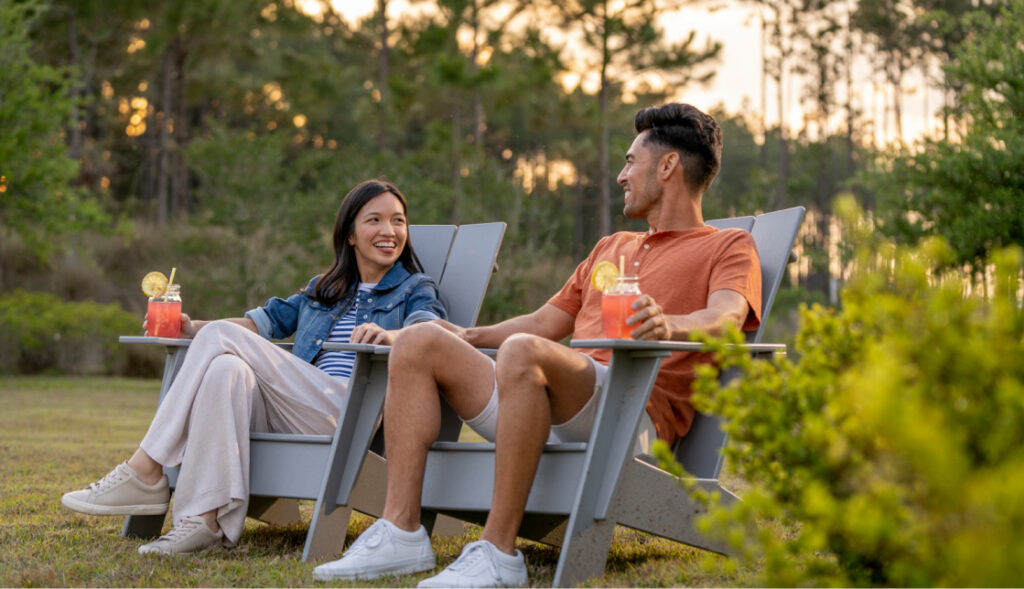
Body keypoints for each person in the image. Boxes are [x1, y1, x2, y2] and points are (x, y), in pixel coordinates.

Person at [312, 102, 763, 587]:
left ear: (669, 166)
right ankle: (401, 533)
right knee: (421, 340)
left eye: (631, 161)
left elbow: (724, 318)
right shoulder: (611, 248)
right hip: (558, 403)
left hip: (631, 415)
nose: (620, 175)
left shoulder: (728, 245)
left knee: (524, 350)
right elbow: (544, 320)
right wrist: (464, 336)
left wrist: (666, 327)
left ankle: (498, 553)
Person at [61, 179, 446, 555]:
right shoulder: (323, 289)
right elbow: (261, 323)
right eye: (374, 220)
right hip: (297, 406)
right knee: (225, 369)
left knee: (220, 343)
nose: (390, 230)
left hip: (351, 409)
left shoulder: (414, 287)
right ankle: (204, 521)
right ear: (350, 234)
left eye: (398, 220)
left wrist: (392, 336)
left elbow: (430, 327)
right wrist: (192, 328)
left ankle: (145, 468)